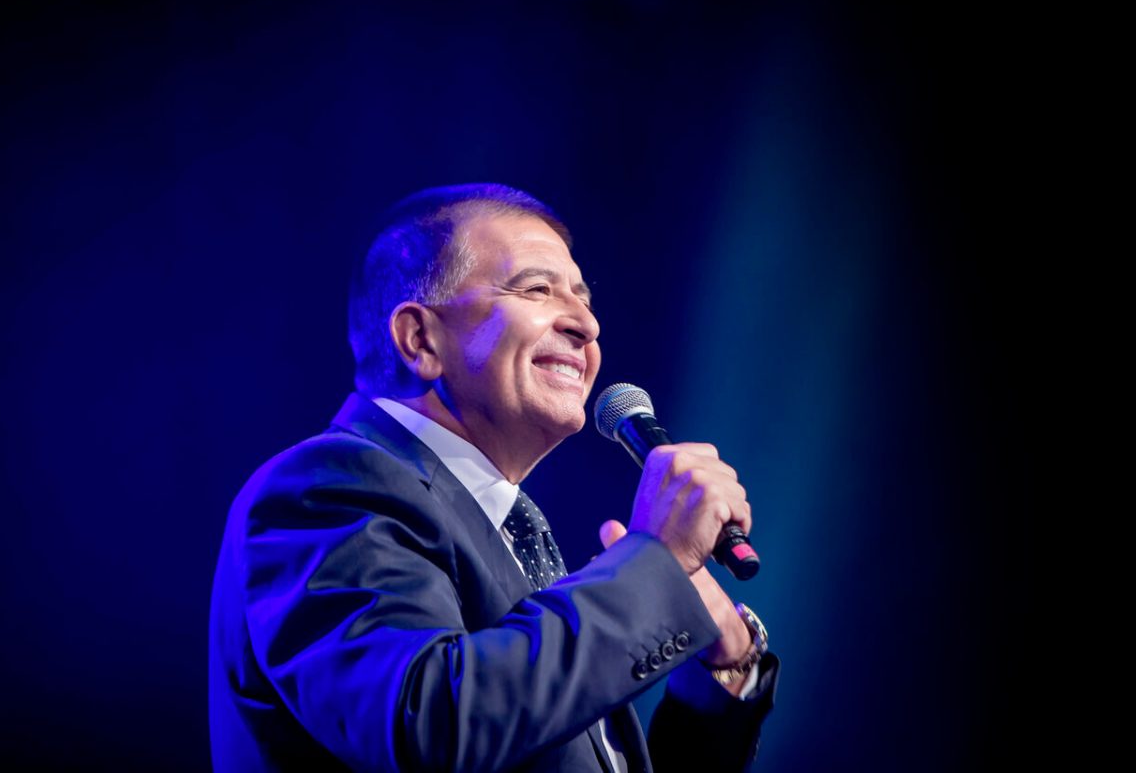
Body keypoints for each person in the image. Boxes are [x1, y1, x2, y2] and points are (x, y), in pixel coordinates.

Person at [208, 183, 780, 772]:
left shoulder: (507, 532)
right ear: (420, 340)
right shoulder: (325, 487)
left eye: (583, 298)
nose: (587, 324)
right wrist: (652, 566)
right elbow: (429, 726)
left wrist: (722, 673)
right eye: (536, 289)